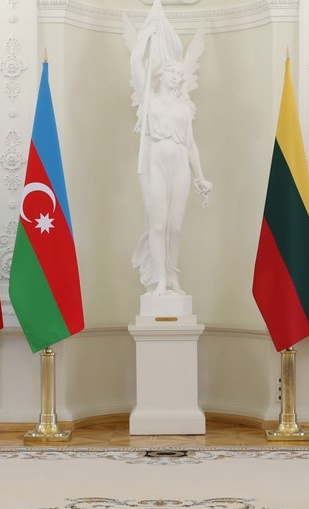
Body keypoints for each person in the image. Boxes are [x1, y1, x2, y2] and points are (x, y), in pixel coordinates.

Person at [125, 1, 212, 296]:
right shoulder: (148, 99)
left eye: (179, 73)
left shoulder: (184, 107)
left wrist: (200, 177)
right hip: (154, 165)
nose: (177, 75)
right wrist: (145, 35)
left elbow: (190, 144)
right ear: (159, 75)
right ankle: (160, 279)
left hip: (180, 166)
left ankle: (172, 276)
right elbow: (135, 62)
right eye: (171, 71)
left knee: (175, 227)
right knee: (158, 225)